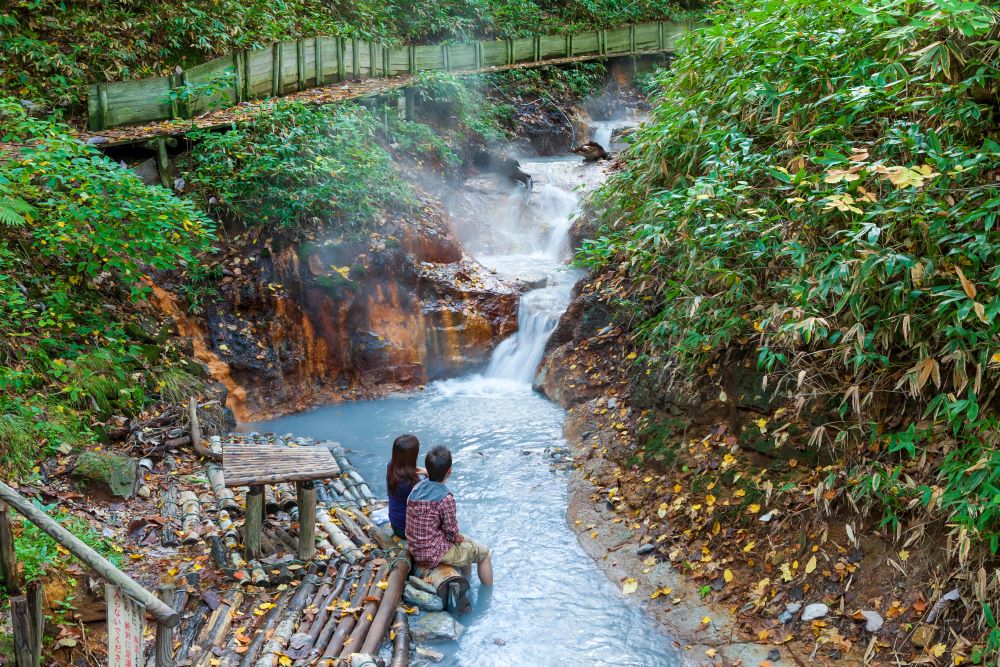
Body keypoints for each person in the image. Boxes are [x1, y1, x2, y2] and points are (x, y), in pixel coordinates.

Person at [405, 445, 493, 585]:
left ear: (427, 469)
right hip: (432, 553)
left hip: (415, 547)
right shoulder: (445, 498)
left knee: (467, 541)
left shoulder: (416, 489)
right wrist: (459, 539)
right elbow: (451, 532)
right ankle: (488, 596)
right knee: (485, 554)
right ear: (449, 471)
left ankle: (466, 580)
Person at [386, 434, 426, 539]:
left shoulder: (391, 465)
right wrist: (429, 475)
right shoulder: (411, 482)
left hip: (395, 523)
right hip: (405, 530)